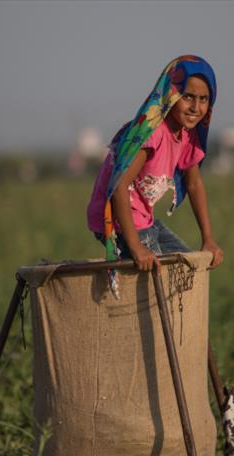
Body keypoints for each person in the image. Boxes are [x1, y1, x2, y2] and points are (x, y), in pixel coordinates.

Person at [86, 55, 224, 296]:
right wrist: (136, 247)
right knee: (166, 284)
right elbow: (118, 187)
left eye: (203, 99)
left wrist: (208, 238)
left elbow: (193, 183)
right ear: (171, 93)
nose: (195, 107)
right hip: (118, 218)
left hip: (144, 220)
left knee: (189, 269)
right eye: (188, 96)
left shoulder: (187, 134)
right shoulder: (152, 132)